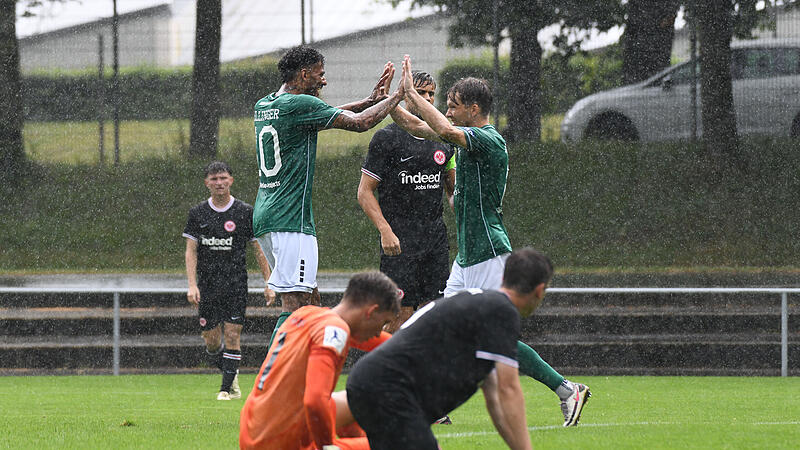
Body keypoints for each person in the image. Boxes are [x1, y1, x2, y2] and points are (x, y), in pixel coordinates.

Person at [390, 55, 590, 426]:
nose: (447, 111)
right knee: (444, 328)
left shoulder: (488, 139)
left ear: (474, 108)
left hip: (488, 251)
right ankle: (435, 405)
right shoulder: (466, 140)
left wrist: (411, 95)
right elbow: (417, 125)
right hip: (467, 257)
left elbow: (443, 129)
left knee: (493, 339)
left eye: (453, 105)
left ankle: (566, 389)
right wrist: (389, 101)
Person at [252, 45, 405, 351]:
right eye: (320, 74)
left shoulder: (267, 103)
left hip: (267, 216)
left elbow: (327, 113)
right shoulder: (300, 105)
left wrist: (370, 101)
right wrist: (399, 95)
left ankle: (305, 366)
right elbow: (360, 124)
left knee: (311, 301)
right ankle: (272, 373)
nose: (324, 80)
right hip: (290, 220)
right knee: (296, 305)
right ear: (304, 74)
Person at [346, 247, 554, 449]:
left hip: (371, 382)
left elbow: (495, 400)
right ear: (539, 290)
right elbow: (508, 389)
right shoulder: (502, 311)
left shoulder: (481, 308)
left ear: (504, 278)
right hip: (389, 391)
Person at [239, 272, 400, 450]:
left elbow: (378, 342)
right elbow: (315, 401)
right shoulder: (335, 330)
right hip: (284, 443)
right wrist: (327, 446)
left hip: (255, 431)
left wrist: (411, 348)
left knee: (355, 404)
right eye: (383, 323)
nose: (378, 332)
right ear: (371, 312)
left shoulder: (308, 314)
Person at [357, 69, 455, 333]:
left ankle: (424, 362)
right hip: (400, 242)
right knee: (398, 317)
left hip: (435, 241)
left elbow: (452, 190)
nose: (427, 98)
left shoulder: (444, 140)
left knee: (432, 315)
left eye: (431, 94)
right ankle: (383, 360)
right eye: (420, 92)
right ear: (406, 96)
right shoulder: (387, 139)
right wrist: (385, 230)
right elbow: (364, 192)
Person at [183, 161, 275, 400]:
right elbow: (191, 250)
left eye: (223, 178)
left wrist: (268, 282)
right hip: (207, 286)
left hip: (235, 284)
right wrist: (192, 284)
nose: (219, 183)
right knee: (212, 341)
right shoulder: (198, 213)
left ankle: (226, 390)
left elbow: (259, 249)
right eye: (214, 179)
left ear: (231, 181)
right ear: (207, 183)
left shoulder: (244, 212)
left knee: (233, 335)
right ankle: (230, 372)